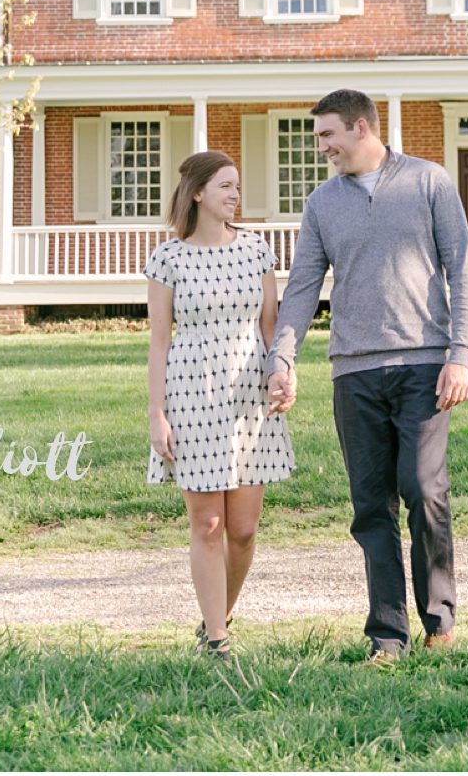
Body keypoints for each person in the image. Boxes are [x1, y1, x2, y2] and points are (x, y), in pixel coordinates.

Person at [266, 89, 468, 664]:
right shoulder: (321, 204)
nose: (322, 148)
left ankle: (439, 618)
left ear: (362, 128)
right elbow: (304, 287)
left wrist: (460, 354)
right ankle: (387, 635)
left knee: (423, 488)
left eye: (327, 135)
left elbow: (462, 267)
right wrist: (282, 359)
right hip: (354, 372)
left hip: (424, 366)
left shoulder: (428, 181)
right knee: (370, 506)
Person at [146, 149, 294, 665]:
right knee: (207, 524)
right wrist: (156, 415)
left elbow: (272, 326)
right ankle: (217, 640)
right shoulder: (169, 258)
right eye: (226, 186)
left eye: (238, 186)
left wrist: (283, 372)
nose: (235, 194)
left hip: (249, 392)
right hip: (190, 392)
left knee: (244, 530)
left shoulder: (257, 250)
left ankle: (219, 614)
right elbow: (159, 343)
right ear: (199, 193)